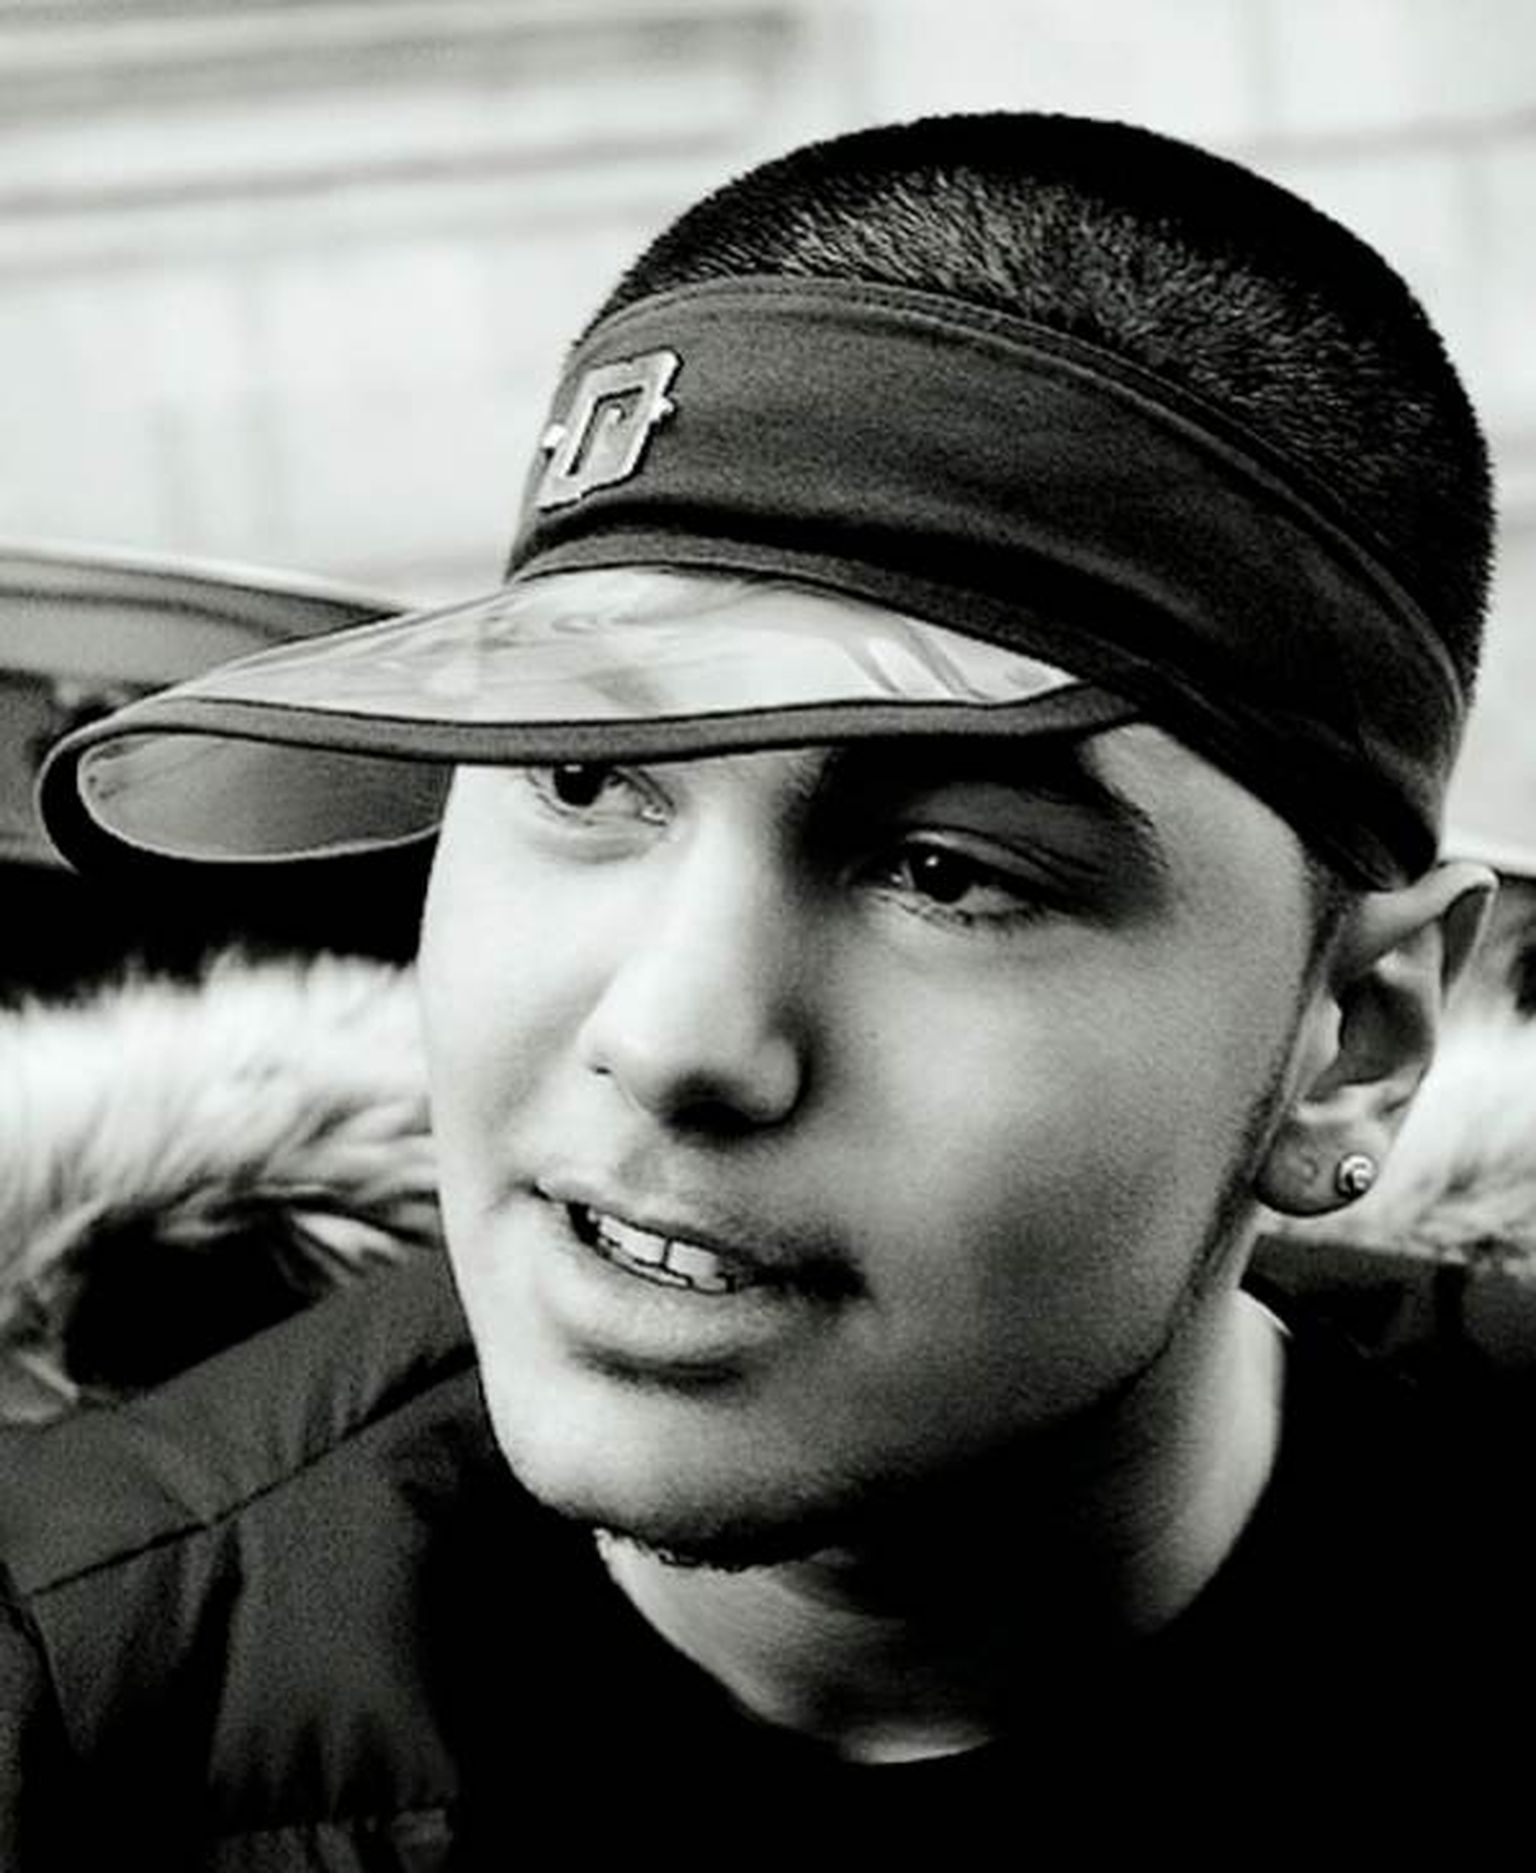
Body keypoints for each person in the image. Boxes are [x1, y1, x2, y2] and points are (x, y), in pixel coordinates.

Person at [0, 111, 1522, 1860]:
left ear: (1354, 1041)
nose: (670, 1038)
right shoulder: (68, 1712)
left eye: (946, 871)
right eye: (585, 778)